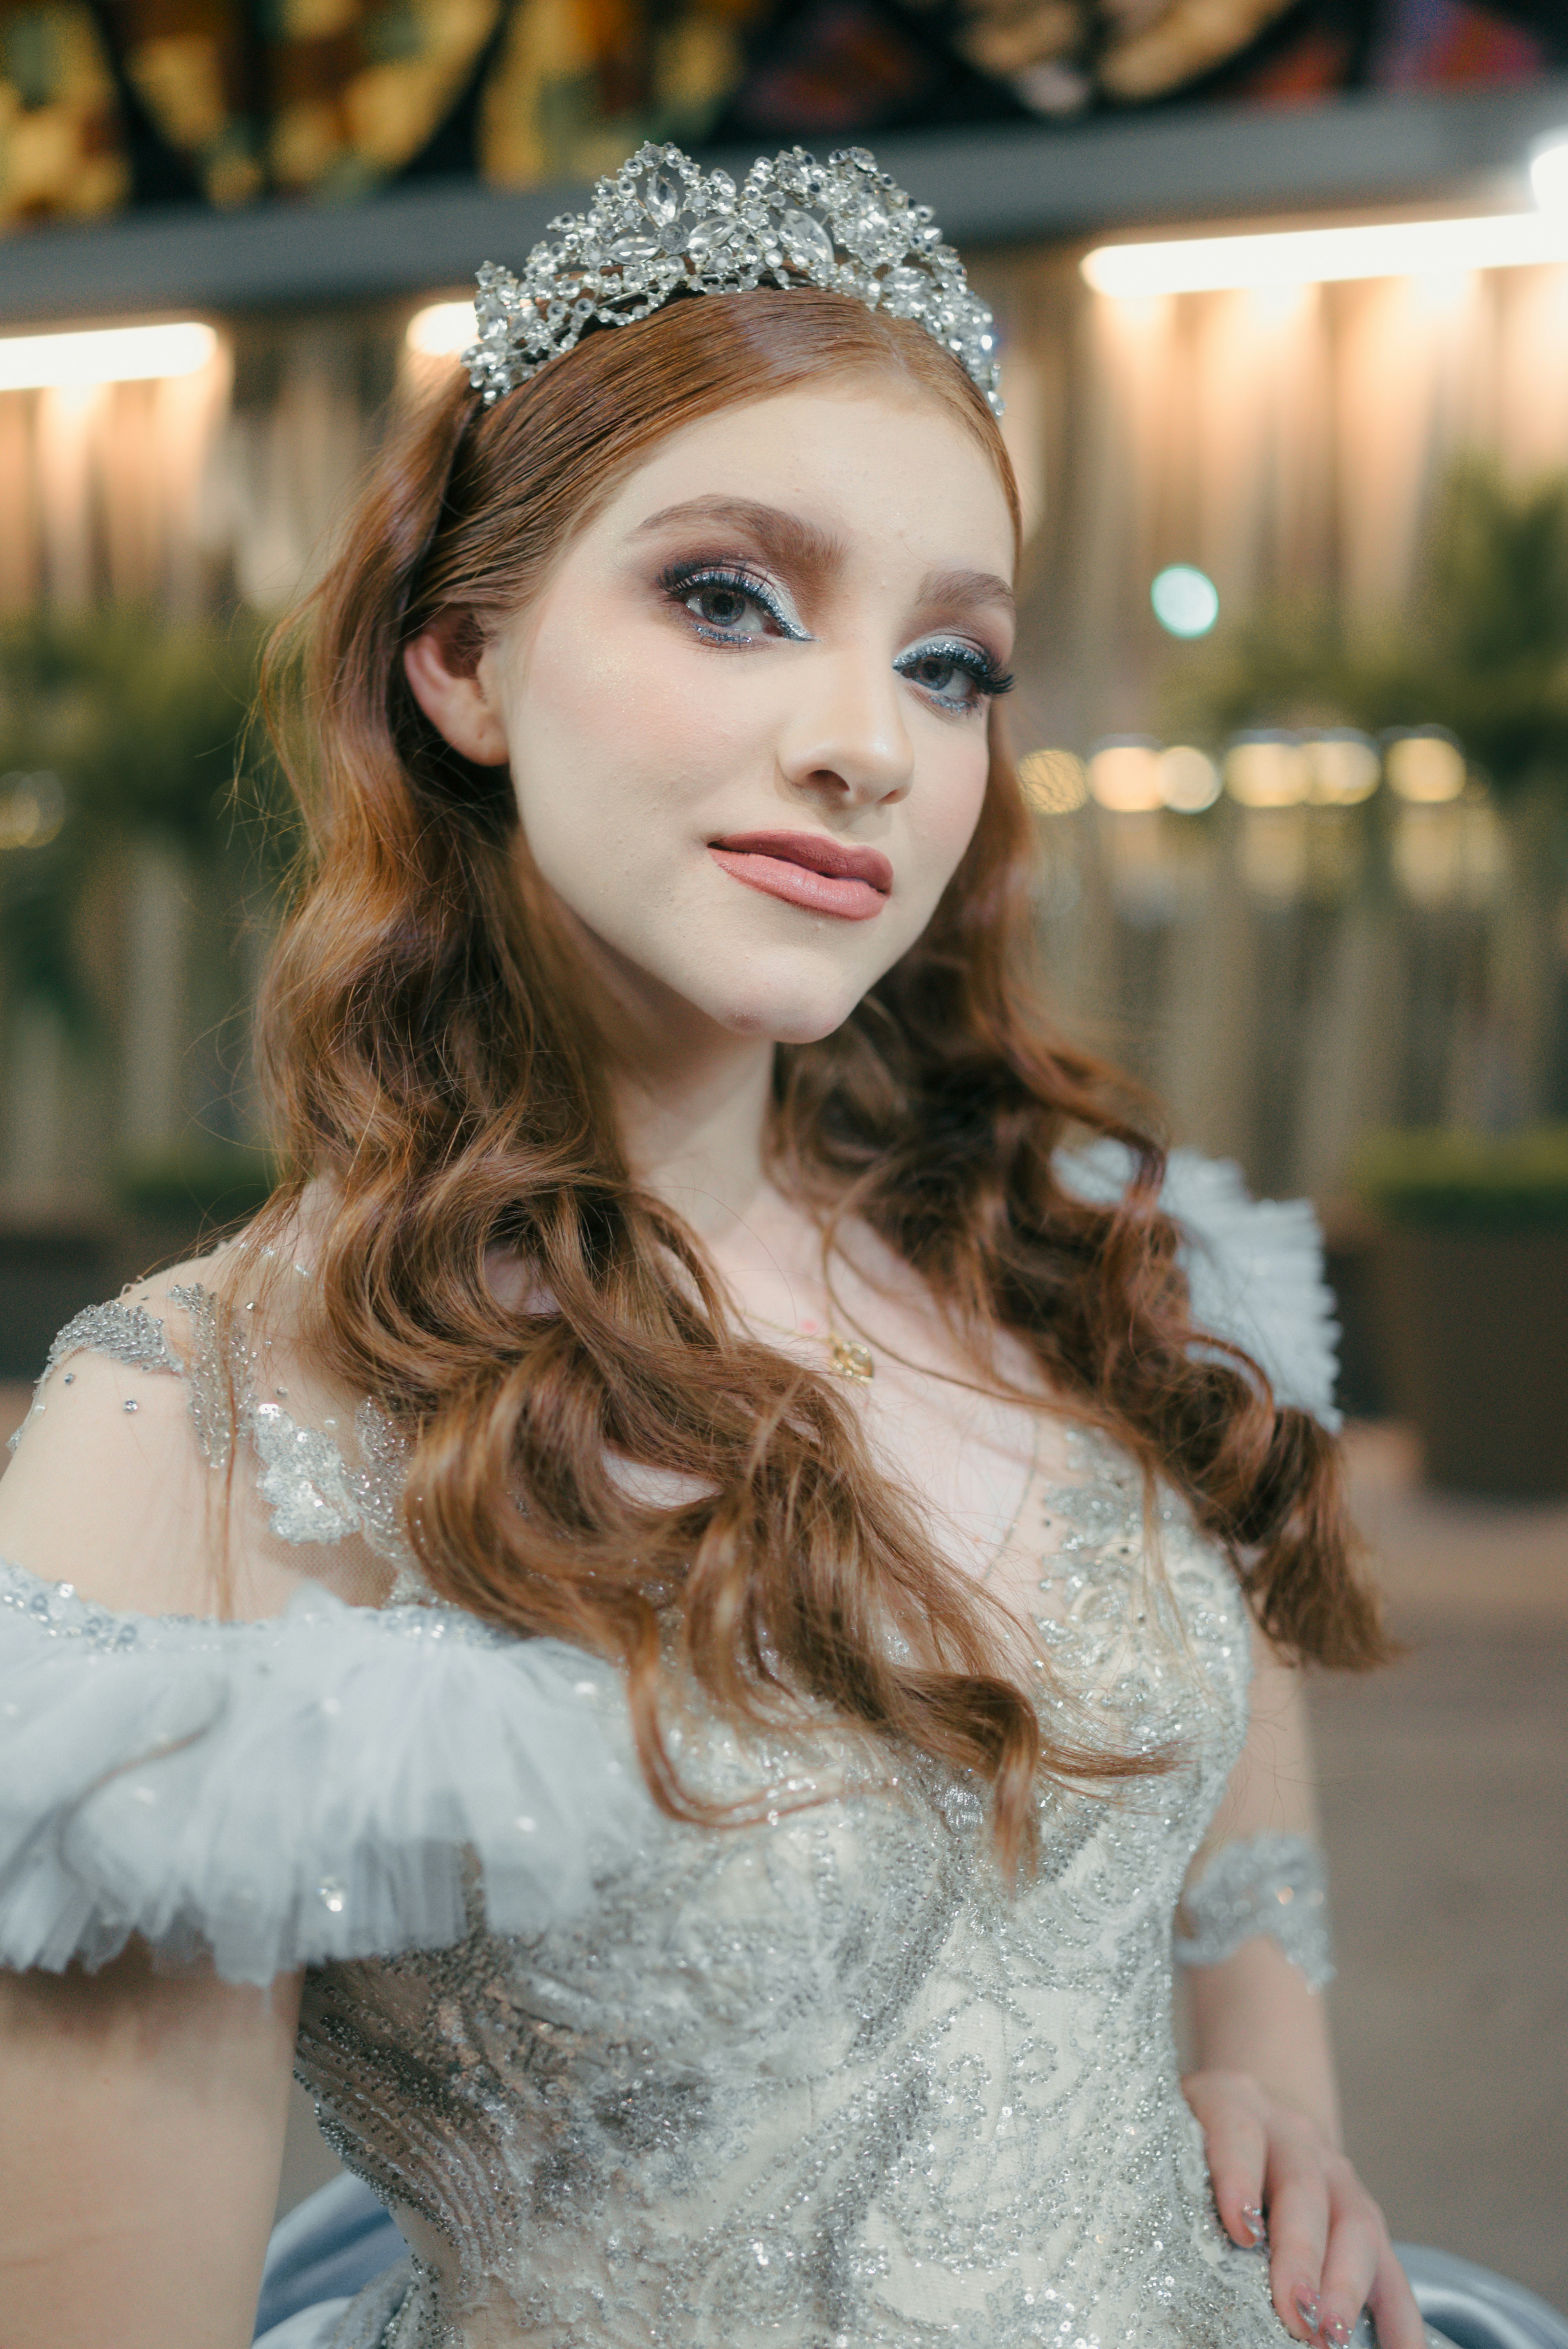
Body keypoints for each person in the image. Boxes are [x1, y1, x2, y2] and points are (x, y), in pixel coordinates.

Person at [0, 144, 1562, 2349]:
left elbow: (1228, 1700)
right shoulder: (199, 1435)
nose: (865, 748)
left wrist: (1262, 2061)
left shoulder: (1078, 1258)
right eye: (730, 597)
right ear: (460, 660)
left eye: (950, 662)